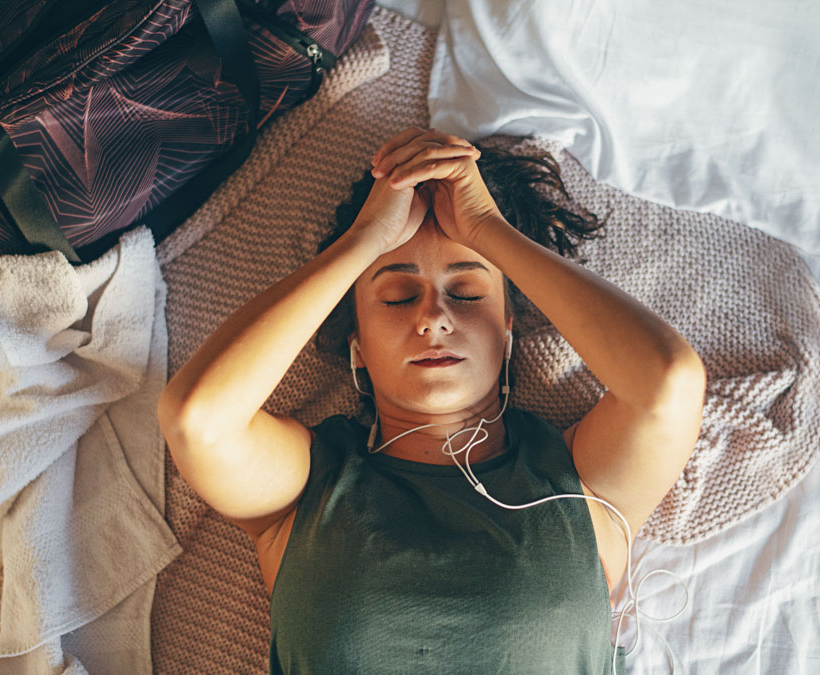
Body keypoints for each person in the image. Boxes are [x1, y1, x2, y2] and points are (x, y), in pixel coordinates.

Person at [157, 127, 706, 673]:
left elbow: (667, 385)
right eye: (397, 297)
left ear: (508, 330)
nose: (434, 318)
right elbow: (199, 418)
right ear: (359, 347)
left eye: (467, 293)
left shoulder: (579, 486)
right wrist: (365, 241)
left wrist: (489, 231)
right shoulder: (309, 487)